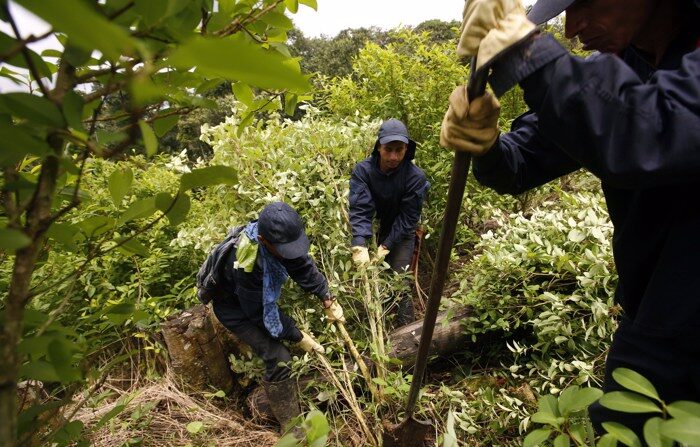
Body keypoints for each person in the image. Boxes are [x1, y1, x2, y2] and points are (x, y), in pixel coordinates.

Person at [441, 0, 700, 437]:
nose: (575, 28)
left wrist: (526, 55)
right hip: (653, 321)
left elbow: (652, 129)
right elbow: (523, 160)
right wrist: (487, 146)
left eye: (585, 3)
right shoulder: (617, 68)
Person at [208, 202, 344, 435]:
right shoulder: (246, 264)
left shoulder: (278, 242)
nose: (289, 252)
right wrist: (298, 335)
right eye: (284, 248)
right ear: (262, 240)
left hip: (252, 300)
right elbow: (260, 314)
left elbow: (301, 265)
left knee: (282, 340)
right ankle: (291, 429)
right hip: (235, 311)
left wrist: (326, 297)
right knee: (279, 356)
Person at [349, 118, 430, 327]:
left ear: (406, 149)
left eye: (399, 150)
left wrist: (386, 246)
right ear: (378, 147)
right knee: (377, 279)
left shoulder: (415, 177)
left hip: (404, 230)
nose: (394, 157)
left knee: (399, 281)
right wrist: (359, 242)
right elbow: (361, 208)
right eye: (388, 149)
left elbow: (408, 217)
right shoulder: (363, 171)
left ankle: (408, 331)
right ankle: (380, 327)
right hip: (379, 225)